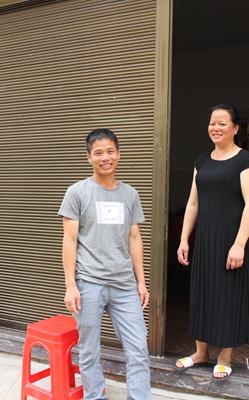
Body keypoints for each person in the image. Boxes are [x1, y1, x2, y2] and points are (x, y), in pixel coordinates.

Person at [59, 128, 151, 399]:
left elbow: (134, 238)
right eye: (98, 153)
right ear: (89, 157)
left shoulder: (130, 194)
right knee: (90, 351)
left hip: (124, 285)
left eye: (110, 151)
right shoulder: (77, 192)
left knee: (138, 348)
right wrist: (70, 286)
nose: (105, 157)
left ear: (118, 154)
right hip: (89, 283)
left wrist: (141, 282)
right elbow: (69, 241)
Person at [174, 104, 249, 380]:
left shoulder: (245, 160)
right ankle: (201, 352)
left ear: (235, 128)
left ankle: (224, 357)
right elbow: (193, 203)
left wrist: (239, 244)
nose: (216, 128)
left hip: (230, 240)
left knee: (227, 297)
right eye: (212, 123)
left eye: (223, 123)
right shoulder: (202, 161)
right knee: (202, 294)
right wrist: (184, 239)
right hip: (206, 240)